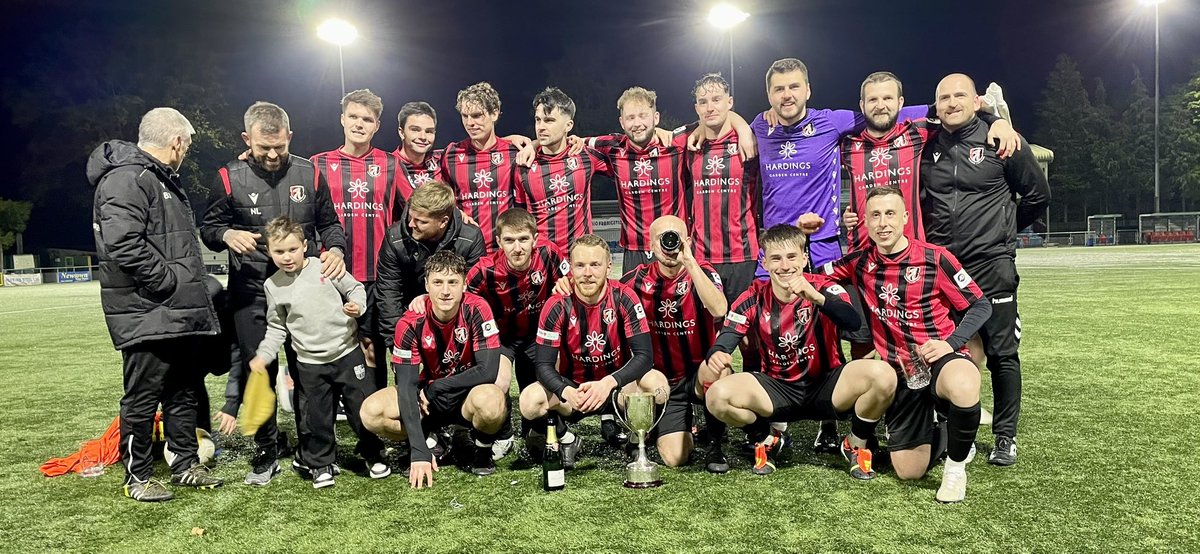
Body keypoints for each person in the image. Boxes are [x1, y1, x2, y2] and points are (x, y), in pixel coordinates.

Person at [200, 101, 347, 485]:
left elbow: (330, 224)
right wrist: (226, 234)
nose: (272, 154)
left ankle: (314, 452)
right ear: (247, 139)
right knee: (259, 371)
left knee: (308, 371)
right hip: (250, 291)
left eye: (279, 146)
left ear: (290, 138)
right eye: (264, 147)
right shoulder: (228, 176)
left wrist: (336, 250)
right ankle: (266, 452)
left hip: (304, 292)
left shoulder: (309, 172)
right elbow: (209, 227)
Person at [823, 185, 993, 502]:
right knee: (909, 471)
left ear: (905, 217)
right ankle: (948, 428)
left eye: (890, 214)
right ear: (865, 222)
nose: (883, 223)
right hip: (900, 371)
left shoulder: (935, 258)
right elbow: (818, 276)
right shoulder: (860, 262)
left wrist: (950, 342)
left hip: (939, 359)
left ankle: (956, 470)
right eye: (875, 215)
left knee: (965, 382)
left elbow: (980, 305)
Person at [88, 107, 223, 501]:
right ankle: (137, 477)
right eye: (188, 143)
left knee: (182, 389)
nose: (188, 150)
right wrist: (169, 283)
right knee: (143, 395)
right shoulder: (128, 178)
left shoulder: (151, 177)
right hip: (148, 309)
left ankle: (184, 464)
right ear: (177, 141)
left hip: (170, 310)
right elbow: (122, 243)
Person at [920, 73, 1051, 467]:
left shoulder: (1002, 140)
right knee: (948, 353)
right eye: (944, 97)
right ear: (936, 105)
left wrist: (1003, 235)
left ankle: (1005, 436)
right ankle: (956, 430)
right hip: (945, 271)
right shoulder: (927, 146)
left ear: (977, 101)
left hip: (992, 267)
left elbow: (1037, 196)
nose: (951, 102)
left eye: (960, 95)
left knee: (1002, 355)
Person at [701, 224, 895, 478]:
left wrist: (816, 298)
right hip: (777, 390)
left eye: (792, 257)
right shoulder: (753, 295)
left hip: (827, 386)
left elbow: (852, 321)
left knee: (884, 375)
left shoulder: (825, 286)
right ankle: (767, 438)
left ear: (804, 258)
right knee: (717, 396)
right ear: (764, 261)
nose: (785, 266)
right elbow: (727, 337)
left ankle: (855, 444)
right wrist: (718, 352)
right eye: (776, 258)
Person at [247, 216, 388, 488]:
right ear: (269, 252)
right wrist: (264, 355)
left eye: (292, 249)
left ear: (305, 246)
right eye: (279, 252)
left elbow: (355, 288)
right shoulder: (272, 286)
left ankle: (374, 454)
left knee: (362, 409)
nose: (287, 257)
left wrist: (357, 307)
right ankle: (321, 464)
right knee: (316, 417)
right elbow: (277, 328)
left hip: (347, 354)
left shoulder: (325, 266)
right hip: (310, 364)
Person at [359, 251, 509, 487]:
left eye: (453, 282)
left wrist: (437, 387)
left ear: (464, 285)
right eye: (438, 282)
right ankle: (426, 437)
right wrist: (418, 452)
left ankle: (482, 448)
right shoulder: (409, 322)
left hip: (464, 393)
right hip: (427, 401)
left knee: (493, 398)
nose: (445, 291)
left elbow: (487, 371)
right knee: (371, 412)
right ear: (426, 285)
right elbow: (406, 386)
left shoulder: (478, 308)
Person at [519, 234, 666, 468]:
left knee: (658, 385)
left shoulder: (624, 297)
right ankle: (567, 439)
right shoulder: (556, 304)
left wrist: (608, 383)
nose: (587, 273)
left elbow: (644, 357)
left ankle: (635, 438)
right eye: (580, 265)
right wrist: (566, 390)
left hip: (616, 388)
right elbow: (543, 367)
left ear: (609, 267)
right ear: (571, 268)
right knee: (529, 400)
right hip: (575, 391)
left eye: (595, 265)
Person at [620, 216, 729, 472]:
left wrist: (689, 262)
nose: (670, 245)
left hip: (697, 375)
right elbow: (602, 292)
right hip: (662, 381)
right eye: (662, 239)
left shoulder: (703, 271)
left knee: (721, 370)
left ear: (687, 241)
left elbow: (719, 308)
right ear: (651, 244)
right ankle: (659, 424)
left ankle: (715, 444)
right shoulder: (635, 280)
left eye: (676, 238)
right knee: (675, 458)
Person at [311, 88, 402, 390]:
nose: (359, 123)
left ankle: (372, 415)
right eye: (354, 116)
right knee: (331, 348)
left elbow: (419, 207)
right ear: (342, 119)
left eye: (368, 119)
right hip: (331, 275)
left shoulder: (391, 163)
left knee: (372, 349)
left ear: (377, 125)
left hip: (378, 275)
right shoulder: (318, 164)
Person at [464, 208, 570, 439]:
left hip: (539, 335)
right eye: (510, 240)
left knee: (550, 381)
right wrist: (424, 298)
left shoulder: (549, 253)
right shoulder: (484, 269)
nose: (518, 247)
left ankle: (546, 428)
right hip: (502, 338)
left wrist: (565, 286)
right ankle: (503, 434)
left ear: (535, 238)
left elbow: (572, 282)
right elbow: (460, 300)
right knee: (499, 385)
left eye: (523, 239)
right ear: (499, 242)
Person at [376, 181, 485, 348]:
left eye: (421, 221)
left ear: (443, 222)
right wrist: (397, 344)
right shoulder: (394, 238)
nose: (411, 224)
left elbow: (473, 292)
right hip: (410, 315)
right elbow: (389, 293)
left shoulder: (470, 238)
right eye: (410, 217)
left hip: (456, 322)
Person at [514, 87, 611, 251]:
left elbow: (624, 147)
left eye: (549, 120)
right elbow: (521, 217)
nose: (541, 127)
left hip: (579, 258)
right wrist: (532, 144)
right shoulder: (524, 164)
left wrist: (656, 130)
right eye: (538, 120)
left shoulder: (585, 156)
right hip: (542, 260)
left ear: (568, 125)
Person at [440, 82, 531, 254]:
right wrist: (457, 213)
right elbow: (444, 199)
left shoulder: (514, 152)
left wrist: (535, 143)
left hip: (506, 252)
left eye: (477, 115)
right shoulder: (451, 154)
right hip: (464, 250)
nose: (470, 123)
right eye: (465, 116)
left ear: (495, 113)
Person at [392, 101, 445, 205]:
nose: (423, 137)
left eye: (429, 131)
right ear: (401, 132)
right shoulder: (388, 165)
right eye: (415, 130)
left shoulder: (442, 159)